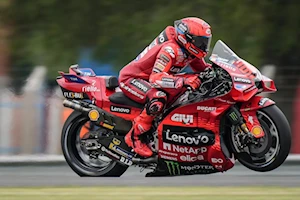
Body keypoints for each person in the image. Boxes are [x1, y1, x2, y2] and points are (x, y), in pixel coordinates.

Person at [119, 17, 212, 157]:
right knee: (159, 98)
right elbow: (155, 78)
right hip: (133, 79)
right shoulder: (171, 50)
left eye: (205, 42)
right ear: (187, 38)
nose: (203, 46)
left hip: (151, 80)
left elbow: (204, 69)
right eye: (200, 42)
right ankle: (134, 137)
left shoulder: (190, 51)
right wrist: (183, 82)